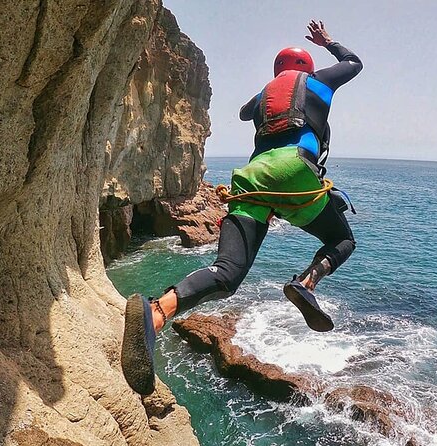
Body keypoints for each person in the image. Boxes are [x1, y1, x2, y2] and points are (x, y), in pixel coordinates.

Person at [121, 20, 363, 395]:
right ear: (307, 70)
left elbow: (243, 113)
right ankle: (305, 283)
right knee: (341, 239)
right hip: (294, 173)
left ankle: (155, 314)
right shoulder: (318, 82)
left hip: (250, 179)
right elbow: (354, 63)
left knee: (227, 272)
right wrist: (329, 42)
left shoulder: (265, 95)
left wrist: (268, 95)